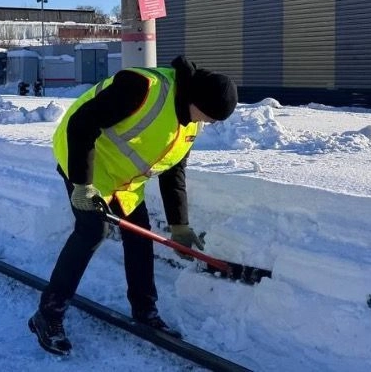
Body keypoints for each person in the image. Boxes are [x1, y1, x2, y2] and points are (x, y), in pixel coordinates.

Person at [28, 55, 238, 356]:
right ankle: (48, 314)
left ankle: (145, 311)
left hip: (124, 181)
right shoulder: (142, 88)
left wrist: (180, 225)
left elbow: (173, 170)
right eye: (209, 116)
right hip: (84, 160)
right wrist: (82, 185)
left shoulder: (191, 119)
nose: (209, 123)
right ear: (196, 98)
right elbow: (81, 124)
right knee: (92, 231)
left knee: (139, 235)